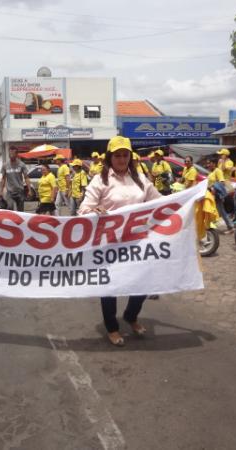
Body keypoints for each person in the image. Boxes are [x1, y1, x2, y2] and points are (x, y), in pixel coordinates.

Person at [78, 136, 161, 347]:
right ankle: (112, 328)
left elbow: (159, 202)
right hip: (109, 243)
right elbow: (83, 209)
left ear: (130, 157)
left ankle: (131, 316)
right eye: (117, 155)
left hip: (138, 242)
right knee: (110, 287)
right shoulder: (101, 180)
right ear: (109, 158)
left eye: (125, 155)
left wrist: (187, 199)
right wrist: (93, 210)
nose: (122, 159)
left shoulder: (141, 179)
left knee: (142, 284)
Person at [205, 158, 233, 233]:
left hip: (216, 195)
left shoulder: (218, 171)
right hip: (211, 194)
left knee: (221, 211)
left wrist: (213, 187)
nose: (208, 165)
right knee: (216, 210)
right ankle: (209, 225)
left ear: (214, 163)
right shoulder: (211, 172)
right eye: (207, 163)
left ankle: (231, 227)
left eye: (209, 163)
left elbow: (222, 182)